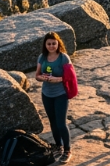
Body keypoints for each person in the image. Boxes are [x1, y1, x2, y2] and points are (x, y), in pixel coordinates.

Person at [35, 32, 73, 163]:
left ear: (58, 44)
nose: (51, 46)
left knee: (61, 123)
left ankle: (67, 150)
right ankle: (58, 146)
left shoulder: (63, 58)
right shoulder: (42, 57)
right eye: (49, 44)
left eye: (54, 43)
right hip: (47, 94)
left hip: (61, 94)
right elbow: (37, 75)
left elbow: (70, 76)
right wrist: (43, 78)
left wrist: (57, 79)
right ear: (45, 45)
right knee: (53, 122)